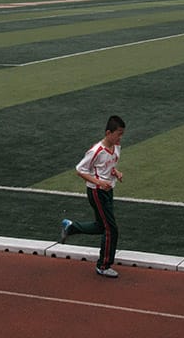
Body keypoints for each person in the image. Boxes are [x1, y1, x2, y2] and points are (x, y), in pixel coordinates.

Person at [59, 115, 125, 278]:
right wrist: (99, 182)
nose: (120, 137)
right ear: (108, 133)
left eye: (122, 134)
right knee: (111, 229)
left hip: (108, 191)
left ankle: (71, 227)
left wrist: (115, 173)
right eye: (118, 134)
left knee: (101, 226)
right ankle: (103, 265)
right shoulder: (96, 150)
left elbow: (108, 166)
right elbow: (80, 170)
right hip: (96, 192)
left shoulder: (116, 147)